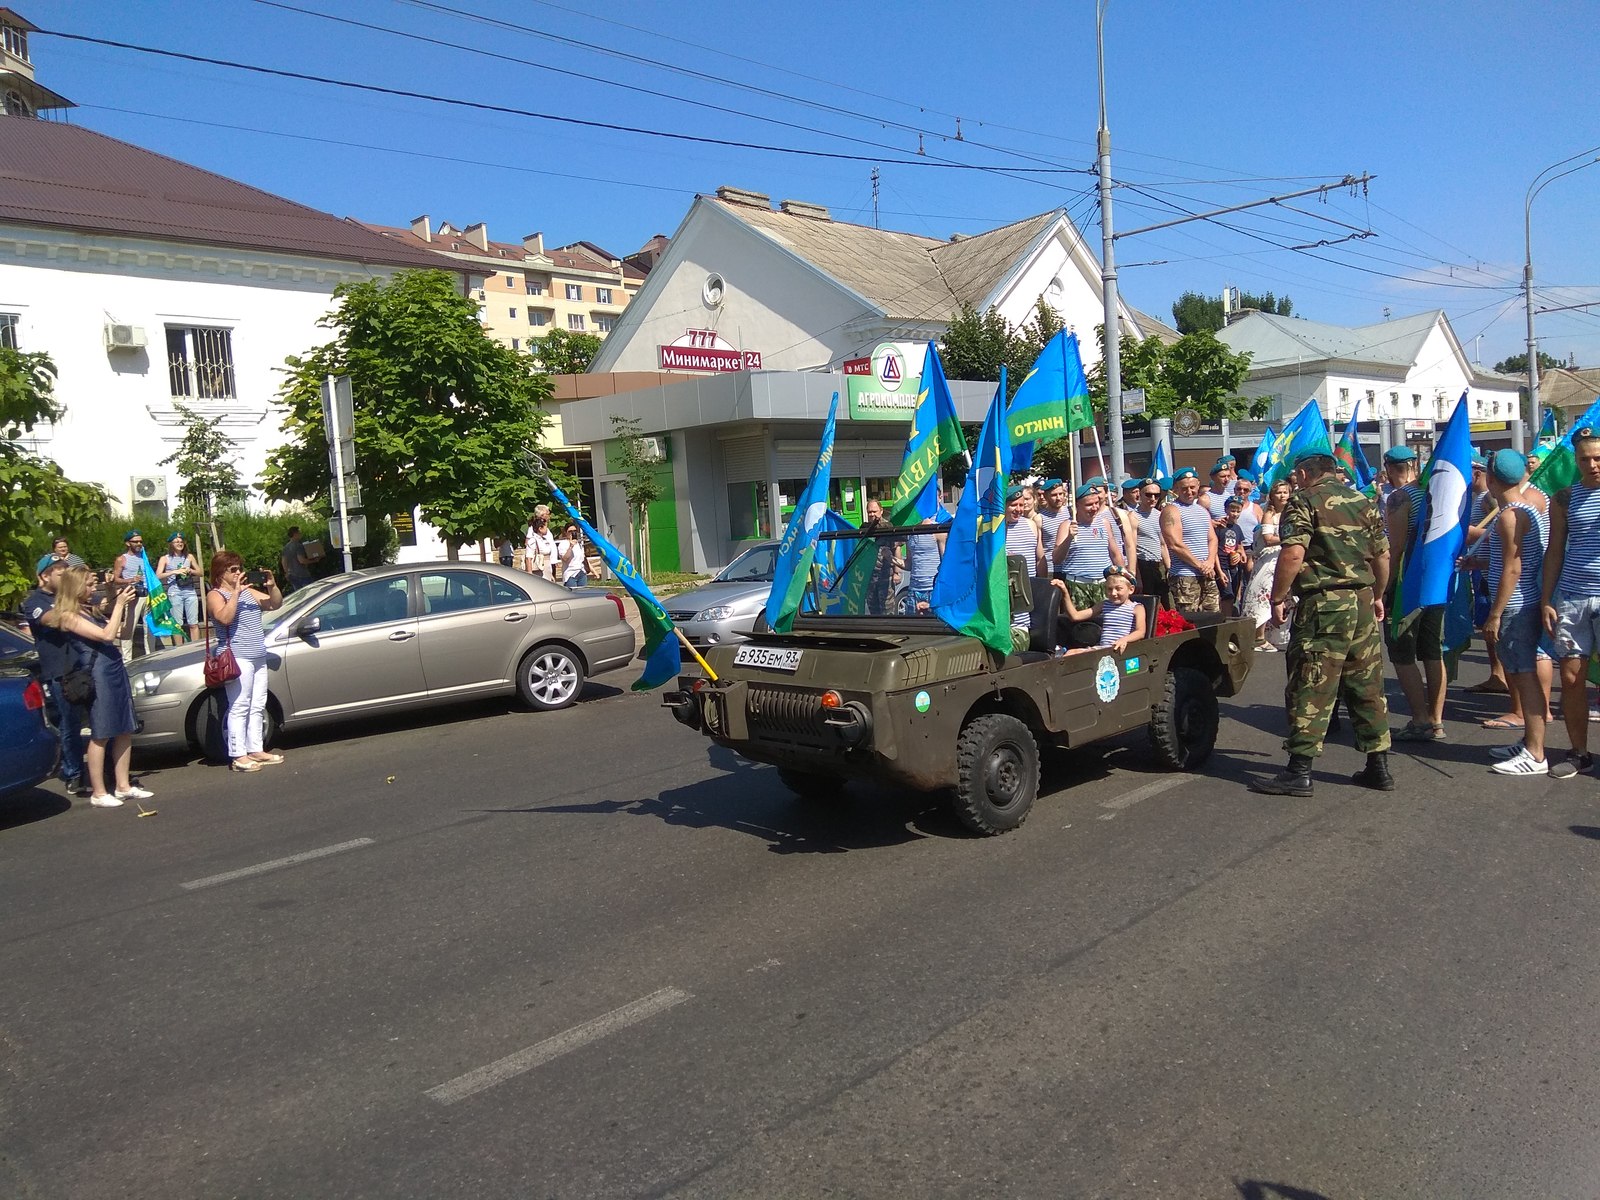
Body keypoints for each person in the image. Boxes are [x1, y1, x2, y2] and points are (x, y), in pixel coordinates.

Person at [1250, 448, 1392, 797]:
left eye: (1297, 474)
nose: (1295, 479)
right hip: (1360, 601)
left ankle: (1299, 771)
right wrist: (1376, 595)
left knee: (1311, 682)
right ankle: (1379, 767)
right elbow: (1383, 555)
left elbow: (1293, 552)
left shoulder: (1303, 502)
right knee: (1367, 684)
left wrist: (1279, 597)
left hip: (1324, 604)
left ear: (1308, 471)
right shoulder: (1363, 501)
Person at [41, 565, 150, 807]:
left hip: (113, 668)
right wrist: (119, 604)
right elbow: (105, 636)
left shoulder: (89, 610)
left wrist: (130, 608)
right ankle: (99, 792)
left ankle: (123, 786)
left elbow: (123, 632)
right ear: (76, 587)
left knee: (124, 727)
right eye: (89, 585)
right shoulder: (68, 615)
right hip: (97, 673)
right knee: (101, 731)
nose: (93, 589)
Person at [1473, 450, 1551, 775]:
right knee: (1523, 673)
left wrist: (1495, 614)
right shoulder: (1528, 507)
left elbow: (1512, 569)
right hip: (1527, 599)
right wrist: (1479, 563)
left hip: (1517, 604)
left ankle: (1535, 753)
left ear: (1491, 479)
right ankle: (1529, 742)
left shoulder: (1509, 515)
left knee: (1523, 676)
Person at [1540, 425, 1600, 781]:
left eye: (1598, 458)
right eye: (1585, 459)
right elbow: (1555, 551)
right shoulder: (1564, 498)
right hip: (1574, 598)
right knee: (1572, 677)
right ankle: (1579, 753)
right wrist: (1547, 598)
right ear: (1575, 461)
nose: (1592, 465)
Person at [1381, 445, 1447, 741]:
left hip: (1407, 582)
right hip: (1433, 581)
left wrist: (1383, 589)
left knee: (1402, 651)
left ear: (1389, 469)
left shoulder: (1399, 498)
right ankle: (1436, 719)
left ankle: (1420, 718)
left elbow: (1396, 550)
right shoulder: (1433, 493)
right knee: (1432, 650)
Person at [207, 551, 284, 773]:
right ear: (221, 573)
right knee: (239, 705)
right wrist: (236, 594)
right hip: (237, 656)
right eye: (234, 570)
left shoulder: (249, 592)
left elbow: (274, 604)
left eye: (240, 568)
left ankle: (255, 748)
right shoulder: (216, 595)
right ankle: (238, 754)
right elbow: (224, 618)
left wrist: (271, 586)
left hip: (258, 654)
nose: (239, 573)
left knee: (258, 703)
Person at [23, 556, 89, 797]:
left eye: (65, 572)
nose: (63, 577)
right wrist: (72, 600)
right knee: (69, 724)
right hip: (60, 672)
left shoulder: (68, 599)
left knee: (97, 719)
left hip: (84, 666)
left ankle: (105, 769)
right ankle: (73, 772)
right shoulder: (35, 602)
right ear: (44, 577)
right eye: (59, 573)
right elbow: (54, 620)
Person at [1054, 482, 1123, 612]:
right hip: (1078, 586)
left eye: (1096, 503)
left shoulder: (1104, 523)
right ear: (1077, 505)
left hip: (1103, 585)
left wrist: (1123, 577)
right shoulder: (1066, 525)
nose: (1094, 508)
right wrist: (1069, 537)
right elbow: (1057, 559)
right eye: (1089, 505)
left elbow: (1115, 554)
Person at [1241, 478, 1293, 648]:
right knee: (1263, 595)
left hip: (1286, 556)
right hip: (1270, 559)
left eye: (1285, 492)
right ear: (1272, 495)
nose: (1282, 496)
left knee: (1285, 597)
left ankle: (1275, 635)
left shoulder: (1292, 513)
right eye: (1279, 492)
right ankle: (1258, 636)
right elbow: (1268, 538)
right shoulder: (1269, 514)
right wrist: (1290, 538)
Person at [1161, 467, 1221, 613]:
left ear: (1198, 485)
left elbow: (1212, 539)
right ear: (1176, 489)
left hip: (1207, 573)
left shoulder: (1202, 510)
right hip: (1185, 575)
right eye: (1184, 488)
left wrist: (1210, 562)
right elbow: (1175, 544)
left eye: (1192, 487)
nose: (1189, 492)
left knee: (1213, 617)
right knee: (1189, 619)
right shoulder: (1171, 510)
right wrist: (1200, 565)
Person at [1052, 565, 1146, 654]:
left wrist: (1124, 639)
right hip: (1103, 649)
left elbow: (1140, 632)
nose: (1113, 593)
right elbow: (1075, 616)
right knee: (1070, 653)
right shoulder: (1105, 604)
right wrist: (1064, 592)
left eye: (1118, 589)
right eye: (1109, 589)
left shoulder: (1136, 607)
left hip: (1122, 649)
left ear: (1131, 589)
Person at [111, 529, 150, 662]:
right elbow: (115, 579)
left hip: (147, 594)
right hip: (133, 595)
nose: (139, 543)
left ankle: (150, 655)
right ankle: (127, 659)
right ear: (128, 543)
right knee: (129, 627)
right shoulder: (122, 559)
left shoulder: (144, 556)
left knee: (149, 627)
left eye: (140, 541)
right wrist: (130, 580)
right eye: (135, 541)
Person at [157, 532, 201, 644]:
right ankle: (180, 649)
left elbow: (200, 572)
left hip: (190, 591)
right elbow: (158, 575)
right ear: (171, 544)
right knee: (177, 623)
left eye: (181, 542)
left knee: (193, 623)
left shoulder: (189, 557)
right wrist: (173, 572)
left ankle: (195, 648)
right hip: (175, 592)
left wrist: (190, 570)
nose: (179, 543)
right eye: (176, 542)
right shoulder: (165, 558)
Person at [1133, 478, 1170, 608]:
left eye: (1156, 495)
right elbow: (1130, 547)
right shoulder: (1132, 516)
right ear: (1140, 495)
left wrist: (1168, 568)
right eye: (1148, 495)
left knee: (1166, 603)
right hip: (1142, 564)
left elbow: (1163, 544)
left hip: (1158, 565)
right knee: (1147, 605)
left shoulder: (1160, 515)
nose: (1153, 498)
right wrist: (1136, 576)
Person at [861, 499, 902, 615]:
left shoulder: (888, 527)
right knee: (873, 612)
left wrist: (897, 572)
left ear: (881, 511)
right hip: (870, 578)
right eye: (869, 512)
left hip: (886, 578)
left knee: (887, 612)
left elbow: (896, 548)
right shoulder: (864, 528)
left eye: (874, 511)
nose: (872, 514)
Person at [1218, 497, 1251, 617]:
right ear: (1226, 509)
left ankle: (1230, 617)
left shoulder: (1237, 528)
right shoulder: (1220, 526)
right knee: (1227, 594)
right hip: (1222, 565)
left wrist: (1240, 554)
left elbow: (1239, 545)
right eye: (1232, 510)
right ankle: (1225, 620)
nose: (1235, 514)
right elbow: (1214, 547)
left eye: (1238, 511)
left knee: (1235, 593)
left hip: (1234, 566)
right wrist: (1218, 570)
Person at [280, 526, 314, 593]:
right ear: (295, 534)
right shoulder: (298, 546)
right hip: (302, 574)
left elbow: (283, 561)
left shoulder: (286, 547)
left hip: (292, 575)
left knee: (298, 594)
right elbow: (301, 560)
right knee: (309, 594)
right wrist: (314, 560)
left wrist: (286, 572)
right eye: (299, 532)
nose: (301, 534)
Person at [1202, 456, 1236, 521]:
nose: (1226, 479)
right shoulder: (1205, 499)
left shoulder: (1229, 496)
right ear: (1213, 478)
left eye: (1228, 476)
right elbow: (1201, 522)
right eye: (1222, 476)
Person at [556, 523, 588, 589]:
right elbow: (565, 559)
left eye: (575, 531)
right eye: (570, 531)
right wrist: (571, 546)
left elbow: (583, 559)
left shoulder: (579, 544)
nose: (573, 533)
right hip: (570, 574)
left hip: (581, 572)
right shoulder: (563, 544)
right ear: (566, 532)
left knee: (583, 594)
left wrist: (594, 571)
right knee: (573, 595)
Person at [525, 514, 556, 581]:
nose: (547, 530)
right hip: (539, 570)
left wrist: (551, 575)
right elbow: (528, 558)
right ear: (540, 528)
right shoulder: (533, 540)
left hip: (547, 568)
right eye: (545, 527)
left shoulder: (544, 539)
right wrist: (530, 574)